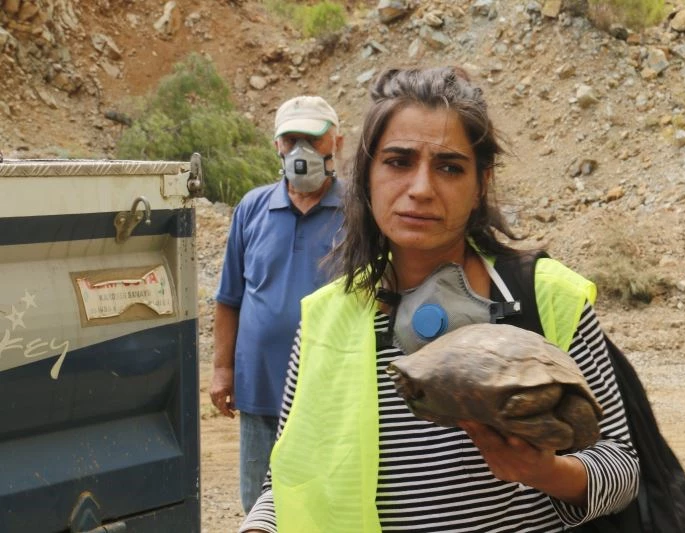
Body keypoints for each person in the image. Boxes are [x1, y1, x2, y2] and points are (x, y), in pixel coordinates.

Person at [240, 67, 639, 532]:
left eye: (450, 167)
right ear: (367, 175)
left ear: (481, 184)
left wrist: (545, 472)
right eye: (398, 162)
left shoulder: (546, 296)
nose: (421, 189)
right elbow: (287, 479)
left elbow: (622, 467)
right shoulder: (328, 317)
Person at [210, 95, 345, 514]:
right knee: (259, 505)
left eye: (312, 139)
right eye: (291, 140)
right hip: (260, 391)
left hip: (331, 394)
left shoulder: (361, 213)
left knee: (325, 505)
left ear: (336, 143)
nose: (301, 150)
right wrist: (222, 370)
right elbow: (229, 298)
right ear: (277, 146)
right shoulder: (251, 208)